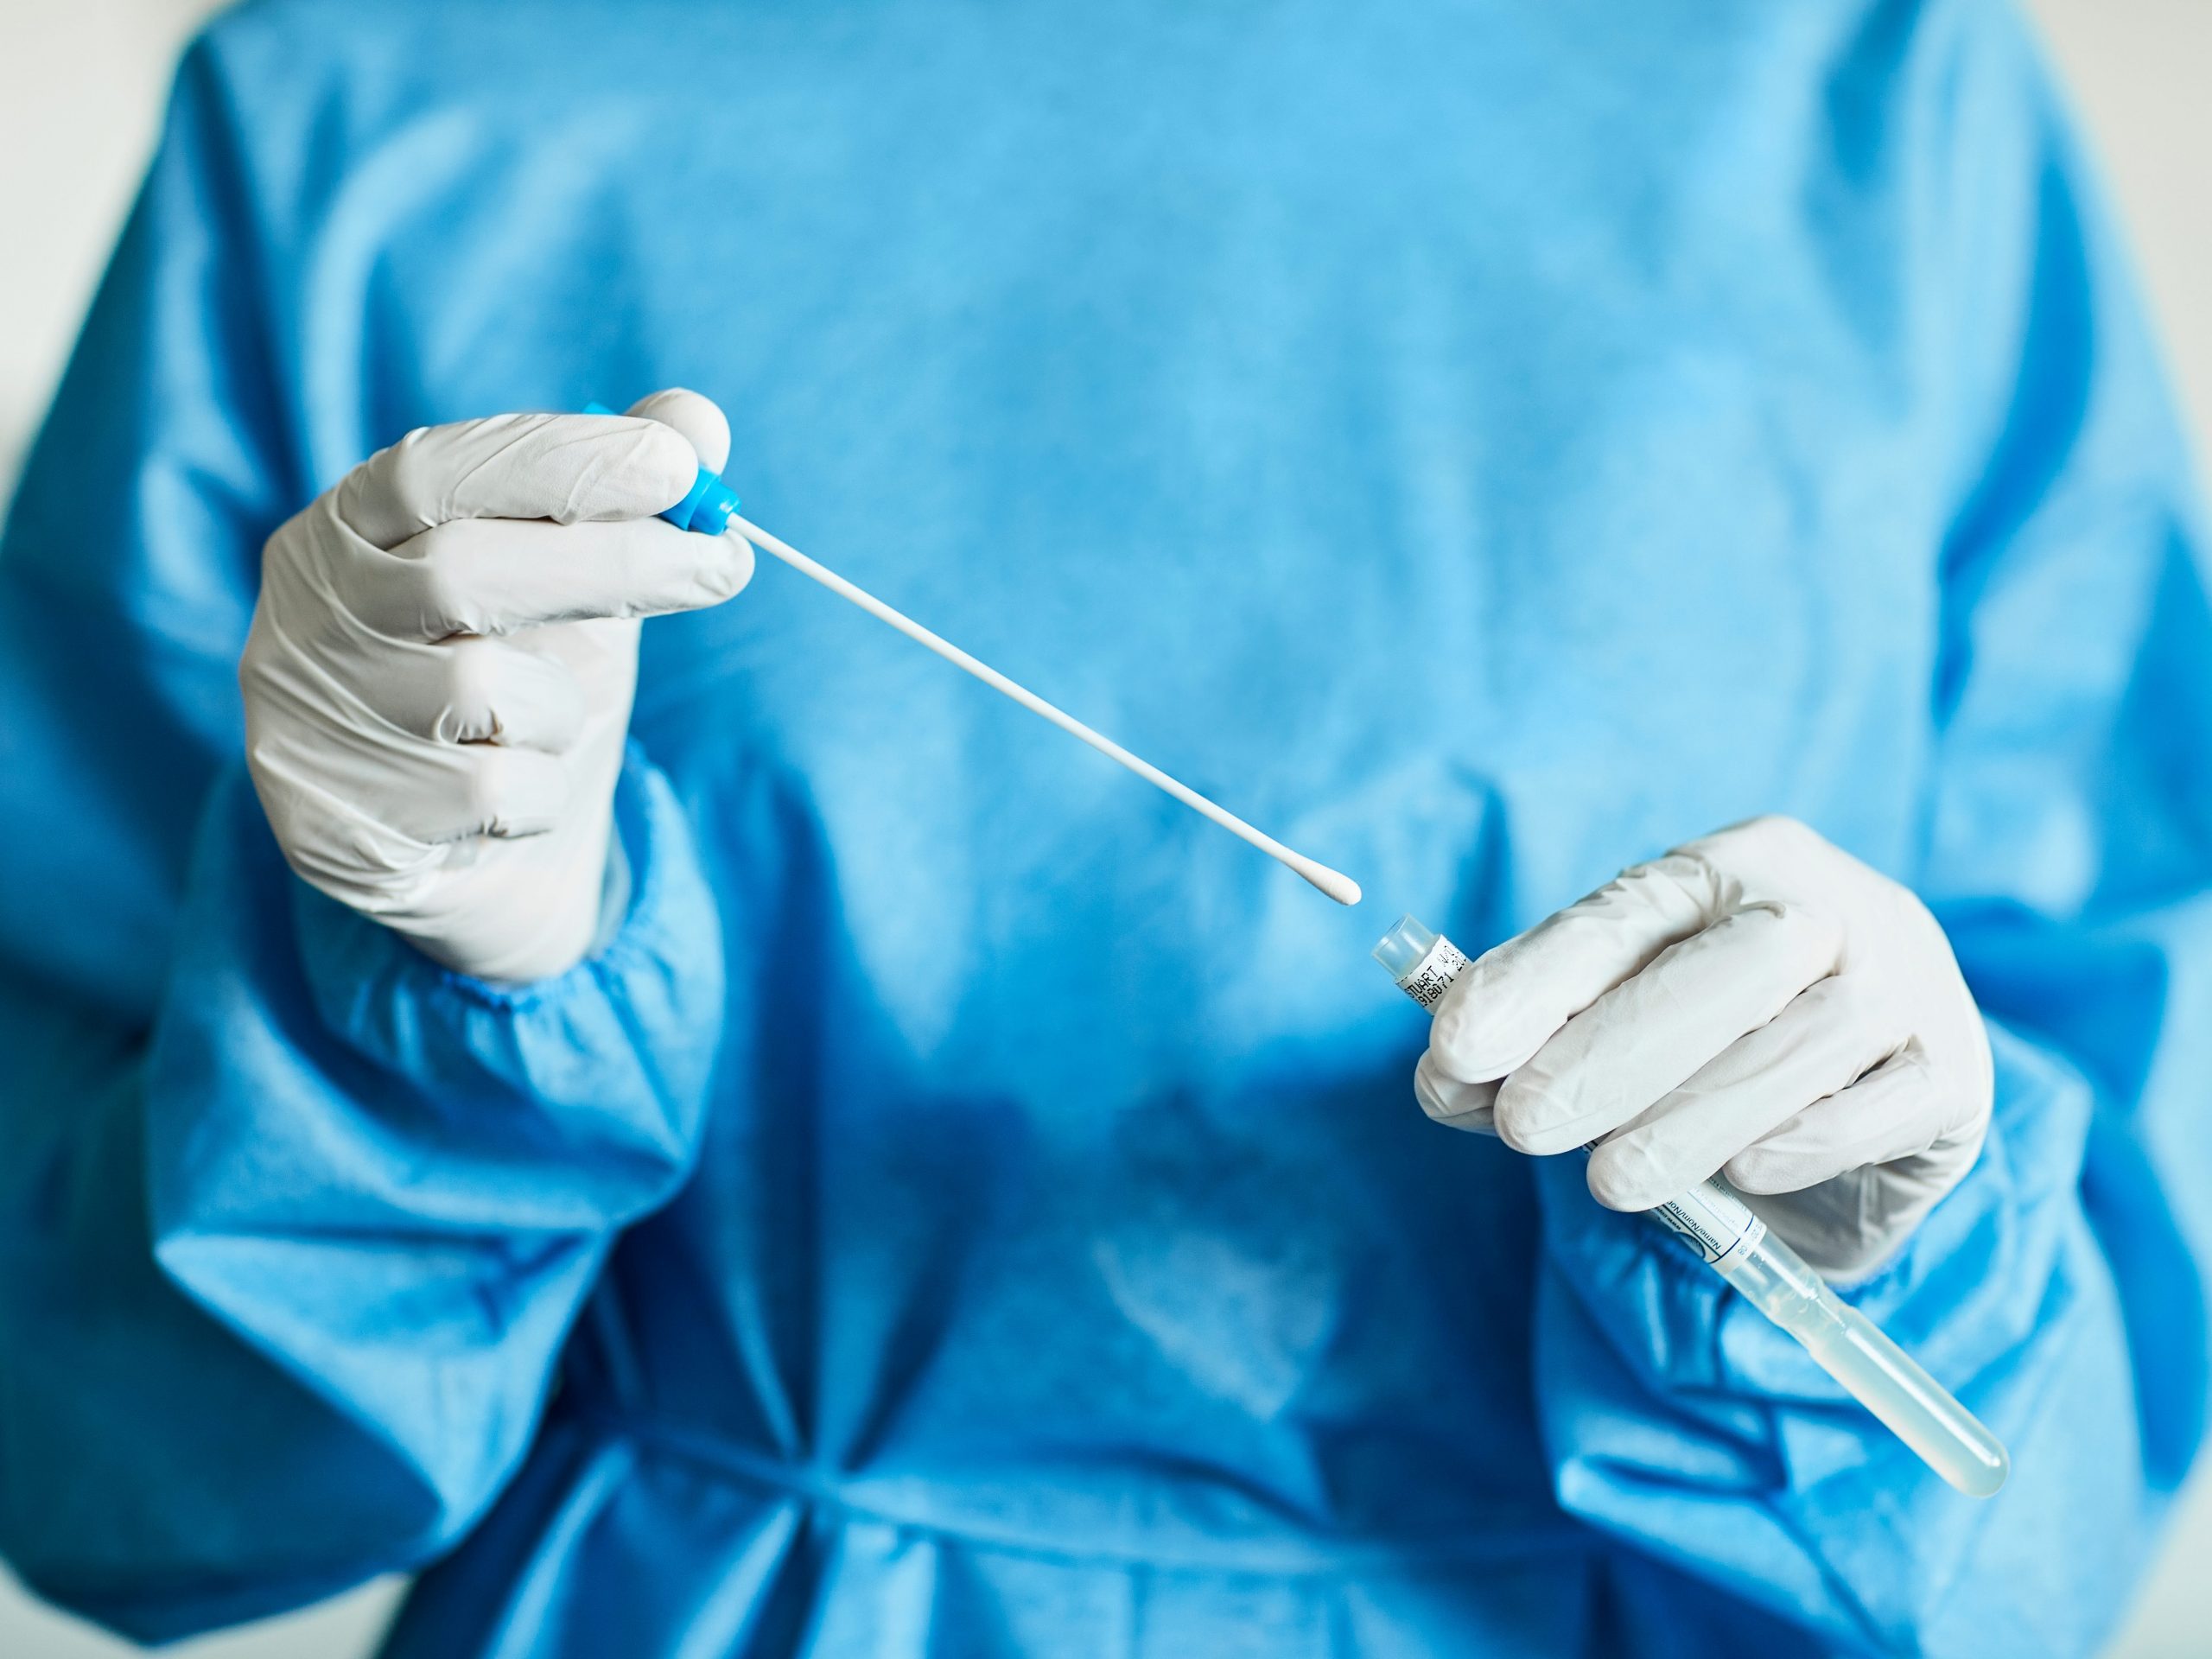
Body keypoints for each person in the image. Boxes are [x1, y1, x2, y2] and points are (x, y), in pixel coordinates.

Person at [2, 0, 2207, 1653]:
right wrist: (419, 1002)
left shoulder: (1860, 90)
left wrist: (1874, 1220)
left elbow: (2027, 1534)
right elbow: (114, 1470)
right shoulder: (378, 89)